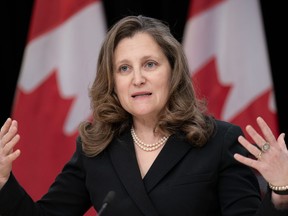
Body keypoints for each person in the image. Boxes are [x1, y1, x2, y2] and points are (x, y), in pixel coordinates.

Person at [0, 15, 288, 216]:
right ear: (112, 81)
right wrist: (3, 182)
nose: (137, 79)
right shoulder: (95, 148)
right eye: (124, 68)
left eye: (149, 64)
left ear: (172, 72)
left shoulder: (220, 141)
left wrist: (280, 191)